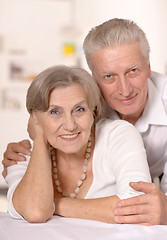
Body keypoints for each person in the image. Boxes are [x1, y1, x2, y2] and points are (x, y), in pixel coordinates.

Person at [2, 18, 167, 225]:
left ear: (149, 67)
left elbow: (143, 207)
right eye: (108, 76)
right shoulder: (84, 99)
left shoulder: (118, 130)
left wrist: (50, 203)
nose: (124, 90)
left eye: (133, 71)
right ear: (94, 78)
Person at [4, 65, 151, 223]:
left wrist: (54, 204)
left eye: (79, 109)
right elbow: (36, 212)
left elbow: (138, 207)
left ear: (93, 112)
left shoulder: (118, 135)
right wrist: (39, 140)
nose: (70, 125)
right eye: (54, 111)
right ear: (34, 118)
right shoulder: (22, 155)